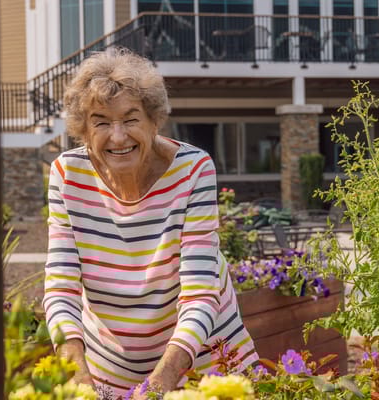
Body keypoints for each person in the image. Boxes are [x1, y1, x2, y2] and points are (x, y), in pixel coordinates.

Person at [43, 47, 258, 399]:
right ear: (83, 130)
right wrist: (76, 377)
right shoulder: (67, 175)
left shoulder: (192, 169)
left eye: (130, 119)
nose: (118, 136)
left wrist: (160, 383)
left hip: (208, 365)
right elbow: (61, 288)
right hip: (109, 372)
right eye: (100, 122)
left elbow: (201, 293)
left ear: (154, 120)